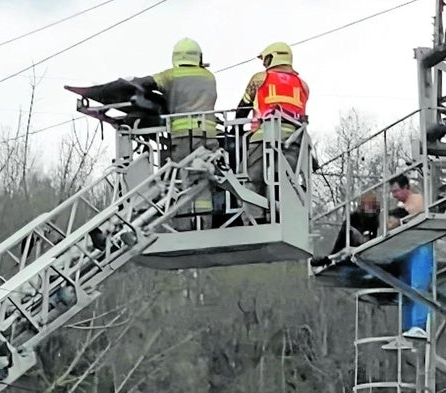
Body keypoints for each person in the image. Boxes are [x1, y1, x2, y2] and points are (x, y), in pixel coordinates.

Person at [131, 38, 218, 229]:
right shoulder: (209, 76)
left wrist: (129, 86)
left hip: (183, 138)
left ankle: (184, 227)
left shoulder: (172, 75)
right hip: (209, 137)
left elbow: (147, 83)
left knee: (181, 182)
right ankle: (205, 224)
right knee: (204, 183)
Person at [234, 42, 309, 220]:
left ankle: (255, 218)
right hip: (295, 139)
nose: (264, 63)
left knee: (248, 177)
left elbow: (242, 109)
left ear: (273, 57)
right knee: (286, 181)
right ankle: (284, 216)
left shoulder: (260, 79)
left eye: (265, 59)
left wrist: (235, 128)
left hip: (263, 135)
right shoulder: (303, 85)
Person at [386, 174, 432, 342]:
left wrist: (399, 219)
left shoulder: (417, 200)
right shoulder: (402, 205)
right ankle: (407, 327)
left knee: (419, 285)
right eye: (392, 192)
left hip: (421, 245)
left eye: (397, 191)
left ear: (406, 188)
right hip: (407, 249)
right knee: (404, 290)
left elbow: (415, 215)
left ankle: (419, 325)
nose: (394, 195)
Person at [310, 191, 380, 267]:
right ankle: (326, 260)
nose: (371, 208)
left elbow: (373, 240)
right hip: (347, 248)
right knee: (341, 252)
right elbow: (343, 237)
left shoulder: (374, 221)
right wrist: (356, 235)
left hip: (364, 252)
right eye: (368, 205)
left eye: (372, 206)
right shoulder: (353, 218)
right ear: (362, 206)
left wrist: (365, 241)